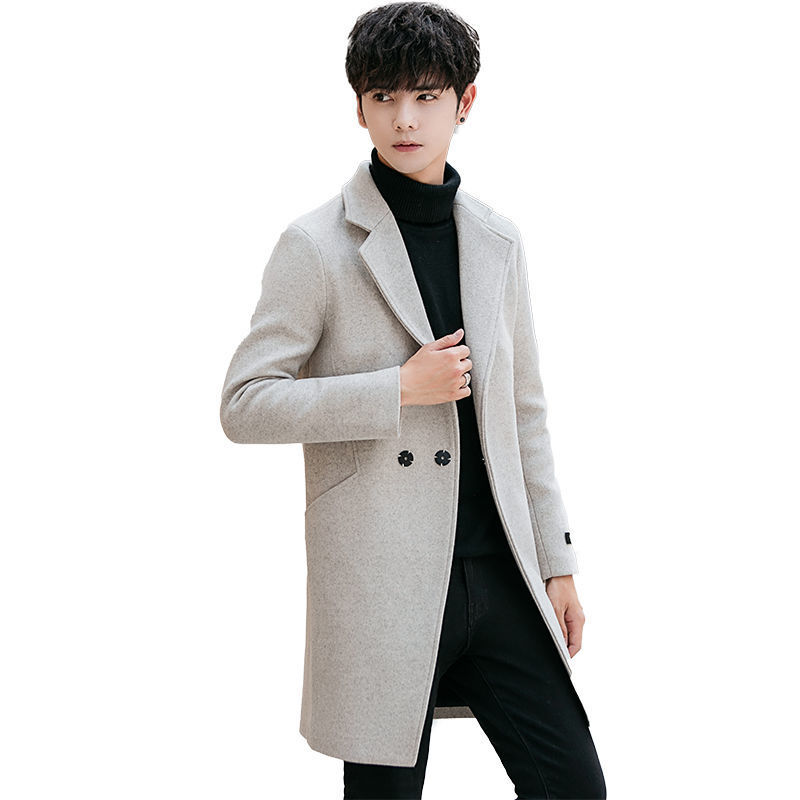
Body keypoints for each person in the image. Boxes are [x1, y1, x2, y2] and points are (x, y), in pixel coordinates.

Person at [220, 2, 606, 797]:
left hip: (500, 574)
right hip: (383, 578)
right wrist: (398, 389)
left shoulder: (498, 240)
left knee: (574, 784)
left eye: (426, 96)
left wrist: (558, 563)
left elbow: (524, 412)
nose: (404, 118)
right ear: (358, 106)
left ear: (466, 102)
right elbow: (245, 403)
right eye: (384, 96)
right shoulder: (316, 245)